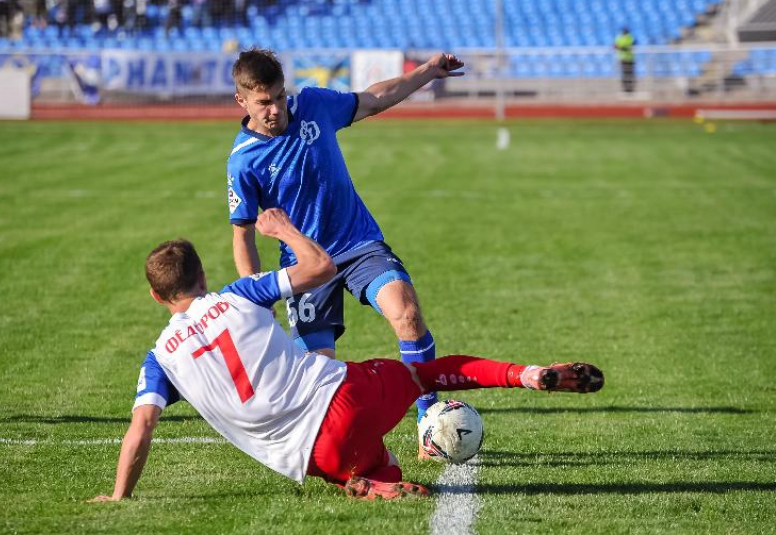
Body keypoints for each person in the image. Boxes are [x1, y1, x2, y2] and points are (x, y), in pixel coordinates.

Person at [90, 208, 605, 502]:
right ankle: (529, 374)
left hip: (315, 457)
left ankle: (372, 483)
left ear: (158, 298)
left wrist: (119, 498)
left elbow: (141, 429)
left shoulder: (160, 359)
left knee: (376, 462)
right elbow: (318, 267)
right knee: (424, 374)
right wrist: (284, 231)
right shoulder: (236, 296)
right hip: (345, 399)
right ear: (201, 277)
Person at [226, 48, 464, 448]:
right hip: (305, 267)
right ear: (242, 101)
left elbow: (374, 98)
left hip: (358, 244)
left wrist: (426, 72)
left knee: (406, 312)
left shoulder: (315, 105)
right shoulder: (243, 161)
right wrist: (256, 299)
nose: (275, 109)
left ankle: (429, 423)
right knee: (321, 375)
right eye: (264, 102)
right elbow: (242, 234)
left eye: (280, 97)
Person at [614, 27, 636, 94]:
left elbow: (631, 46)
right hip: (624, 58)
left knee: (629, 74)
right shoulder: (621, 38)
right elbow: (616, 46)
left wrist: (622, 48)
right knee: (626, 74)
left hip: (628, 58)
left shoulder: (629, 38)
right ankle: (626, 89)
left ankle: (630, 89)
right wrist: (624, 49)